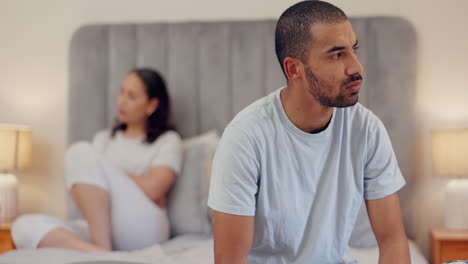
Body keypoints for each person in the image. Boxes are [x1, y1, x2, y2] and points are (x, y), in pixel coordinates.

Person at [207, 1, 411, 263]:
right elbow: (229, 260)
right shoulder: (245, 138)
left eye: (354, 49)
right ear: (294, 69)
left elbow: (393, 241)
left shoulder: (366, 129)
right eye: (337, 54)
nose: (356, 67)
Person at [12, 68, 183, 252]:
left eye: (132, 96)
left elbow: (154, 188)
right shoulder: (103, 140)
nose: (122, 101)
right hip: (103, 227)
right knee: (22, 227)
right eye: (121, 92)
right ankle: (98, 250)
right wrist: (113, 179)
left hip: (145, 229)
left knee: (78, 151)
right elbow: (86, 194)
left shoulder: (168, 140)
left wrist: (106, 177)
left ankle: (101, 247)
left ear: (152, 105)